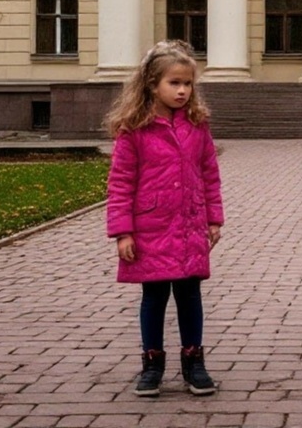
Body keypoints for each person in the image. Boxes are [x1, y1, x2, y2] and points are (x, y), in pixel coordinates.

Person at [106, 40, 224, 398]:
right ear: (152, 84)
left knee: (189, 294)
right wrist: (123, 232)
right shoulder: (134, 129)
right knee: (154, 296)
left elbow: (209, 173)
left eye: (187, 83)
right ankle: (152, 364)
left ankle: (194, 362)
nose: (183, 90)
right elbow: (120, 182)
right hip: (150, 228)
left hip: (189, 225)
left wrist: (213, 218)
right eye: (174, 83)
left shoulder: (197, 125)